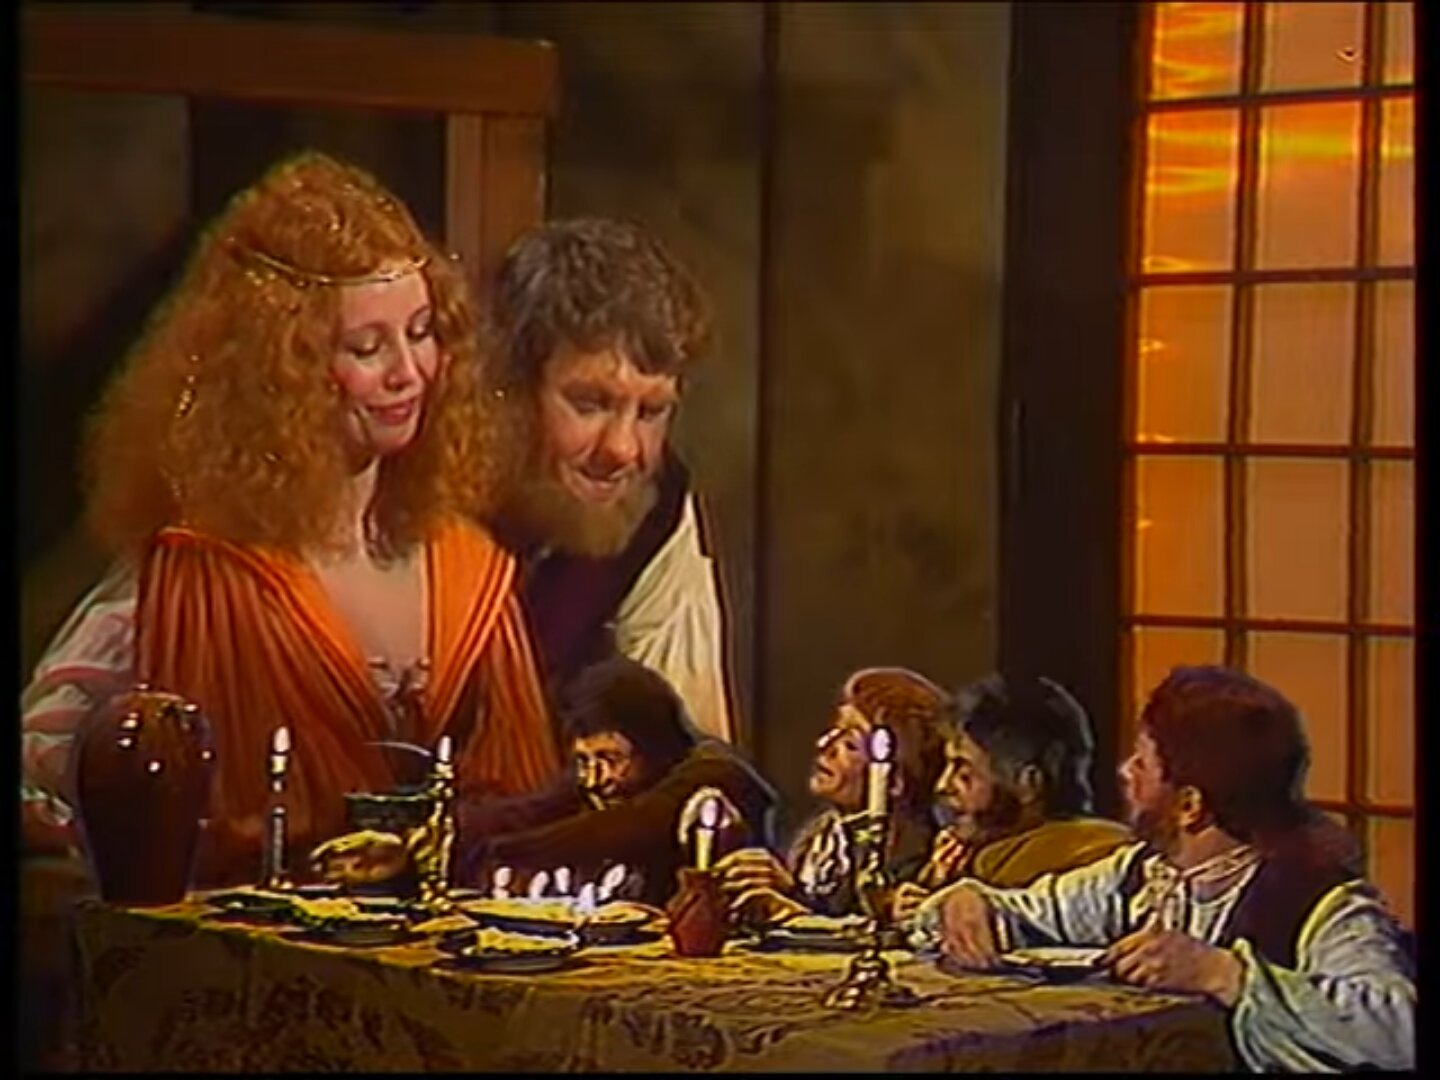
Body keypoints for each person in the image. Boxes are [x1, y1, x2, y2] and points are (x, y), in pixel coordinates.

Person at [20, 151, 563, 885]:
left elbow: (527, 807)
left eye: (422, 332)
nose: (408, 373)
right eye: (367, 347)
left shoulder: (466, 563)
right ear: (284, 371)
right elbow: (47, 759)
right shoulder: (201, 573)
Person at [910, 665, 1413, 1072]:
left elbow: (1399, 1031)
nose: (1125, 774)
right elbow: (1034, 911)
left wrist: (1226, 974)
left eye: (1143, 765)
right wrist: (968, 902)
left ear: (1190, 804)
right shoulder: (1138, 875)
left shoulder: (1318, 903)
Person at [483, 218, 735, 745]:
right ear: (511, 390)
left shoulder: (656, 508)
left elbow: (685, 750)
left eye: (651, 412)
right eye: (590, 403)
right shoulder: (425, 497)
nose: (622, 449)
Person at [450, 655, 777, 907]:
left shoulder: (716, 772)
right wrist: (451, 830)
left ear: (651, 746)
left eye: (610, 758)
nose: (596, 779)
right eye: (584, 760)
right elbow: (530, 811)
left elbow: (630, 825)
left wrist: (505, 851)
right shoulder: (603, 776)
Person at [715, 667, 948, 926]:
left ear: (893, 781)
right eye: (834, 730)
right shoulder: (819, 835)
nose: (824, 745)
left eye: (850, 745)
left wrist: (792, 905)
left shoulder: (908, 853)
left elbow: (868, 929)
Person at [891, 673, 1132, 919]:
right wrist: (925, 897)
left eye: (964, 773)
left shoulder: (1088, 858)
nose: (943, 786)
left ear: (1028, 784)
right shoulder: (968, 860)